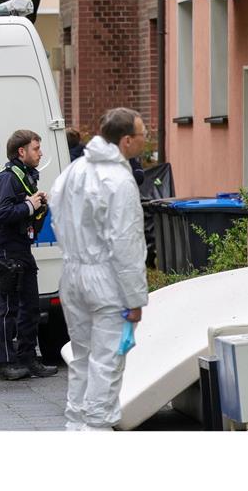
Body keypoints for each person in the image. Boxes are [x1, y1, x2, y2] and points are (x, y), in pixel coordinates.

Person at [50, 108, 148, 430]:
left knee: (82, 358)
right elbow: (125, 243)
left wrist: (74, 251)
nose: (146, 140)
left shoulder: (75, 170)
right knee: (107, 361)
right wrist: (134, 298)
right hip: (106, 280)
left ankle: (76, 425)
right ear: (126, 140)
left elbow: (56, 212)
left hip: (73, 273)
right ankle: (96, 428)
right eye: (143, 134)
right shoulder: (119, 180)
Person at [0, 129, 58, 381]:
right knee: (8, 309)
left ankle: (28, 359)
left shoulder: (26, 177)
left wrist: (39, 208)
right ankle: (7, 364)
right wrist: (30, 205)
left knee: (30, 308)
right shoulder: (7, 178)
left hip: (22, 250)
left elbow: (27, 218)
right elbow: (0, 214)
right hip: (8, 252)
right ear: (21, 151)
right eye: (36, 149)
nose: (40, 153)